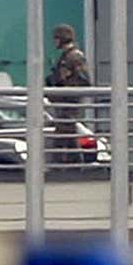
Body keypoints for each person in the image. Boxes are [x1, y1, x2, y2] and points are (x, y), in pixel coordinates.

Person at [47, 24, 92, 164]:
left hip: (69, 103)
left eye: (56, 38)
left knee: (64, 134)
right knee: (65, 134)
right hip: (62, 103)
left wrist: (65, 86)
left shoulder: (75, 57)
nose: (55, 42)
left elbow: (84, 81)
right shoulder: (65, 57)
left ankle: (71, 166)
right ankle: (72, 165)